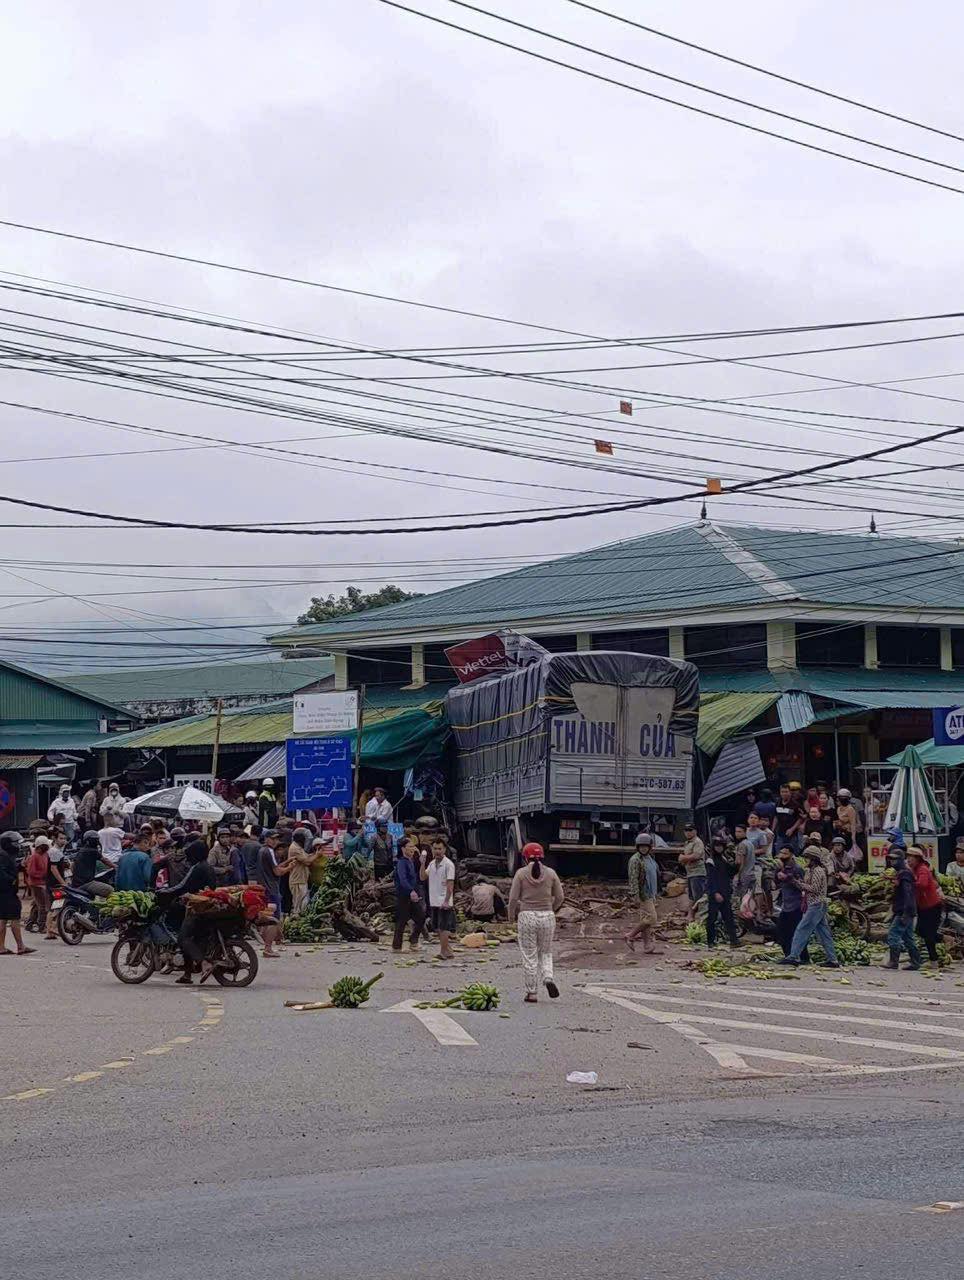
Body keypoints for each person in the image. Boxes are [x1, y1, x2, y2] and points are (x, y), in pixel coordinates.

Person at [508, 841, 564, 1002]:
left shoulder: (520, 874)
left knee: (529, 954)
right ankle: (548, 977)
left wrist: (511, 916)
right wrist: (551, 909)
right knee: (545, 951)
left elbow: (513, 899)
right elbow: (560, 897)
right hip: (547, 916)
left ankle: (532, 992)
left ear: (525, 858)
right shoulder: (551, 873)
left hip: (527, 916)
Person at [157, 840, 218, 984]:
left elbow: (182, 886)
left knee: (183, 938)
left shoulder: (198, 867)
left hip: (198, 908)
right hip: (206, 906)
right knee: (191, 939)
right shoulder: (207, 866)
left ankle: (204, 963)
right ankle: (187, 974)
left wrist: (163, 892)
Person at [778, 845, 840, 967]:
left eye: (807, 858)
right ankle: (833, 960)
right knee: (824, 933)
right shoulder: (810, 871)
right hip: (816, 904)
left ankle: (794, 956)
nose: (805, 860)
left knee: (802, 929)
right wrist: (796, 881)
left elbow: (814, 889)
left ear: (813, 859)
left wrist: (798, 883)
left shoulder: (817, 871)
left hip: (816, 904)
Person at [252, 829, 293, 957]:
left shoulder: (262, 850)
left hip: (263, 888)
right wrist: (290, 868)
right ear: (267, 839)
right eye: (273, 838)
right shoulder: (269, 851)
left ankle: (274, 940)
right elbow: (277, 872)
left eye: (277, 839)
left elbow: (274, 867)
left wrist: (287, 862)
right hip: (271, 889)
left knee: (267, 917)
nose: (276, 841)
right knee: (273, 919)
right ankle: (268, 948)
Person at [882, 845, 921, 970]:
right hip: (906, 910)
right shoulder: (901, 874)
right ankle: (916, 962)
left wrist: (905, 913)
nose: (892, 862)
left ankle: (893, 961)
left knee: (893, 935)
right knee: (908, 938)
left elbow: (908, 894)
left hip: (904, 911)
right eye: (891, 859)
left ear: (900, 860)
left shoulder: (905, 874)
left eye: (895, 859)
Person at [624, 832, 663, 955]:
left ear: (650, 847)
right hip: (643, 893)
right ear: (637, 847)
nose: (643, 849)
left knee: (645, 919)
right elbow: (633, 879)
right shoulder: (635, 860)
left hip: (651, 893)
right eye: (641, 846)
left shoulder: (650, 858)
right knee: (652, 918)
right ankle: (630, 935)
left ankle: (647, 946)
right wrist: (635, 895)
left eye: (646, 846)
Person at [421, 837, 457, 960]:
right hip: (434, 900)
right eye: (435, 849)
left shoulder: (448, 865)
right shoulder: (431, 864)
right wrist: (422, 863)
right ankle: (447, 950)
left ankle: (443, 951)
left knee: (444, 927)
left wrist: (447, 900)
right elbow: (422, 877)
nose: (437, 851)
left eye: (440, 849)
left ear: (444, 849)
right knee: (437, 927)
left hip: (444, 901)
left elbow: (450, 884)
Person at [907, 847, 943, 966]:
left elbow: (922, 884)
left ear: (917, 859)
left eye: (911, 857)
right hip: (922, 907)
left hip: (932, 907)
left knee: (928, 935)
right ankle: (945, 938)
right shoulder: (914, 870)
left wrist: (909, 883)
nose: (908, 860)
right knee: (920, 931)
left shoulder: (922, 869)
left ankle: (934, 961)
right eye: (907, 857)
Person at [0, 831, 34, 955]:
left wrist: (20, 865)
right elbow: (2, 873)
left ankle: (2, 947)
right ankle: (20, 946)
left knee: (3, 918)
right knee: (14, 917)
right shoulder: (2, 856)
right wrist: (12, 880)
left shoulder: (5, 855)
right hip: (7, 891)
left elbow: (9, 868)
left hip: (5, 892)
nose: (18, 846)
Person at [774, 845, 809, 964]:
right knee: (782, 932)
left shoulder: (797, 869)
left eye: (785, 854)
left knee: (797, 933)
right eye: (781, 853)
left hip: (796, 905)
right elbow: (776, 883)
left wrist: (788, 878)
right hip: (785, 905)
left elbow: (802, 886)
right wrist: (778, 873)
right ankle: (789, 956)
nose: (782, 856)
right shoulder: (781, 867)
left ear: (791, 855)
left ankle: (804, 958)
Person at [704, 834, 740, 948]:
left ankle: (734, 941)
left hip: (725, 892)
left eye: (721, 846)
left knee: (729, 918)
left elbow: (729, 873)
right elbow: (711, 878)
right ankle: (710, 941)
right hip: (715, 893)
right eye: (717, 846)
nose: (719, 848)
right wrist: (715, 893)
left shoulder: (723, 859)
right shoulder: (710, 861)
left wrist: (737, 864)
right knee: (712, 918)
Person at [392, 837, 425, 951]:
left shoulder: (410, 861)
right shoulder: (401, 863)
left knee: (421, 917)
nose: (413, 849)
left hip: (413, 895)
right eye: (410, 847)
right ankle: (397, 946)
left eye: (413, 846)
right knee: (401, 921)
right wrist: (410, 891)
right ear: (403, 848)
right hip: (404, 895)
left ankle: (413, 941)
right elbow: (403, 879)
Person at [24, 836, 56, 937]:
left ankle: (30, 924)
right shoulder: (34, 856)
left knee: (37, 904)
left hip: (43, 883)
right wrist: (43, 875)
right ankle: (42, 926)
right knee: (43, 905)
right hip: (36, 884)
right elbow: (31, 872)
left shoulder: (45, 855)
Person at [287, 829, 322, 915]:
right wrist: (317, 855)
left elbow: (306, 857)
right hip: (297, 880)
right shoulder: (295, 848)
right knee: (299, 905)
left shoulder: (298, 847)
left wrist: (314, 854)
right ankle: (297, 920)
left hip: (301, 879)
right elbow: (307, 861)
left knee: (304, 904)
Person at [678, 822, 706, 921]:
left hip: (698, 872)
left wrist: (683, 858)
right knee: (691, 896)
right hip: (690, 872)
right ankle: (690, 915)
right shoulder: (688, 843)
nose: (688, 832)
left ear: (695, 831)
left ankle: (701, 917)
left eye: (690, 830)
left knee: (698, 896)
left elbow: (696, 856)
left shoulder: (697, 842)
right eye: (686, 830)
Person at [773, 784, 804, 854]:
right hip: (780, 833)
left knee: (793, 854)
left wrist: (792, 829)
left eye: (786, 792)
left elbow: (800, 819)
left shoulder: (795, 804)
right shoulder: (777, 803)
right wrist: (772, 830)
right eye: (782, 792)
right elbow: (776, 817)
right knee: (779, 854)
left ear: (790, 793)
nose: (784, 794)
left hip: (792, 835)